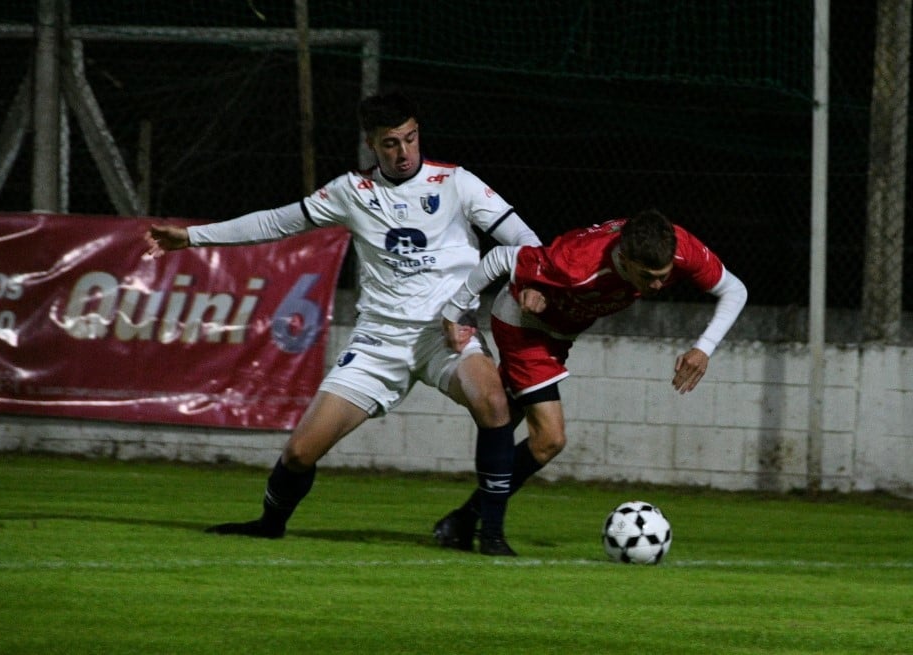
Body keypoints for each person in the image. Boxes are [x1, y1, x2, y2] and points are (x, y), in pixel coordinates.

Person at [143, 91, 540, 556]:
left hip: (446, 334)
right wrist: (191, 238)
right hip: (377, 343)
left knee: (494, 405)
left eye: (411, 138)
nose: (405, 151)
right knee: (299, 453)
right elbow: (277, 222)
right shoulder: (353, 193)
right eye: (391, 143)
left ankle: (490, 535)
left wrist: (532, 282)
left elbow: (523, 239)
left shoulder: (456, 183)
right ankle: (270, 524)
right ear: (371, 144)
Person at [431, 209, 748, 550]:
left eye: (664, 275)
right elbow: (500, 258)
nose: (657, 285)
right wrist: (454, 311)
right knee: (549, 438)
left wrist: (703, 349)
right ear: (624, 260)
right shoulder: (577, 263)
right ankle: (490, 537)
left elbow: (735, 289)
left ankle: (461, 523)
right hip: (524, 328)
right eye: (648, 276)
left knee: (503, 427)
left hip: (559, 334)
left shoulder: (678, 246)